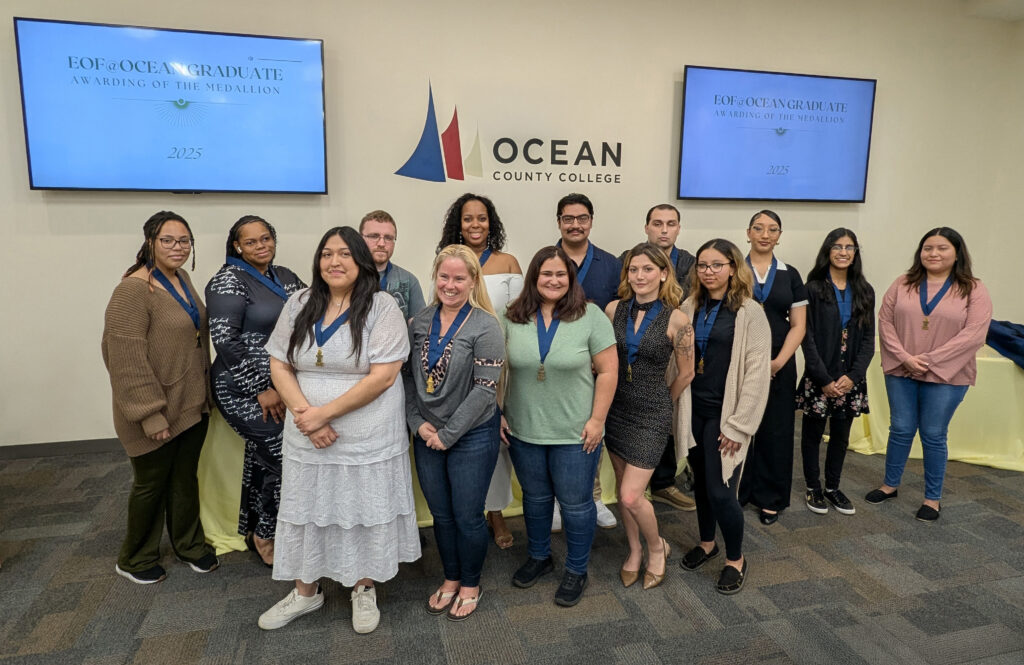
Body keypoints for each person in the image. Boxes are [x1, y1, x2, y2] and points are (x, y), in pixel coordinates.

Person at [258, 227, 419, 633]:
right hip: (306, 434)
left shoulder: (382, 307)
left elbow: (384, 376)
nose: (334, 261)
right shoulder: (298, 302)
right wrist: (305, 414)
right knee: (308, 510)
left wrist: (323, 414)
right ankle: (305, 592)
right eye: (327, 253)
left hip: (367, 439)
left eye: (345, 253)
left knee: (362, 510)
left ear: (361, 260)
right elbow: (280, 362)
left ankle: (363, 588)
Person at [101, 211, 219, 584]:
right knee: (151, 484)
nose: (177, 247)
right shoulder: (132, 290)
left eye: (184, 240)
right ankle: (135, 558)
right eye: (167, 240)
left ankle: (188, 545)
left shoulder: (180, 278)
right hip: (151, 411)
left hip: (189, 404)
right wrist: (150, 415)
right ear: (149, 242)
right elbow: (125, 360)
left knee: (184, 479)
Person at [501, 246, 617, 607]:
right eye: (546, 274)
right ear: (534, 278)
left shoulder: (590, 316)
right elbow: (494, 369)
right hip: (524, 430)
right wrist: (497, 412)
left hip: (575, 432)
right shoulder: (511, 317)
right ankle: (539, 557)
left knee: (576, 505)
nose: (553, 280)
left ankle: (576, 569)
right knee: (535, 501)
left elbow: (609, 371)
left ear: (571, 279)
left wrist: (597, 420)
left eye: (561, 274)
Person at [405, 245, 505, 621]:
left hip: (472, 435)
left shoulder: (485, 325)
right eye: (444, 277)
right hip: (427, 433)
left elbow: (484, 391)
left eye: (459, 278)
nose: (450, 284)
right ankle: (450, 578)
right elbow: (408, 380)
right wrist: (419, 425)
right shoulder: (419, 321)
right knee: (441, 516)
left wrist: (447, 435)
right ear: (435, 277)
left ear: (473, 281)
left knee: (467, 516)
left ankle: (470, 583)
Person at [866, 228, 992, 522]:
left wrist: (930, 360)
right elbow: (884, 322)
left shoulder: (973, 288)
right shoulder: (903, 283)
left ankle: (932, 499)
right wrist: (906, 358)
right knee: (900, 429)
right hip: (901, 369)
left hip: (948, 374)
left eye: (942, 248)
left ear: (957, 253)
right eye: (927, 248)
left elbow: (975, 334)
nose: (933, 253)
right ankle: (890, 485)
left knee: (934, 434)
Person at [206, 215, 306, 567]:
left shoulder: (286, 277)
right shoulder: (227, 282)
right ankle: (267, 533)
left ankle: (255, 529)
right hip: (241, 388)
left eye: (266, 239)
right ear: (237, 246)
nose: (261, 246)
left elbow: (313, 309)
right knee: (283, 457)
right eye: (251, 242)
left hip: (281, 386)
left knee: (263, 458)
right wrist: (262, 387)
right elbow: (226, 341)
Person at [677, 239, 770, 595]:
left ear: (733, 267)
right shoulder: (689, 305)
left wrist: (740, 425)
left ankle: (735, 559)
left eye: (717, 264)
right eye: (702, 265)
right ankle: (706, 543)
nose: (709, 271)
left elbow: (757, 374)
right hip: (694, 409)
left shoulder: (750, 312)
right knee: (701, 483)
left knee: (720, 491)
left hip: (725, 415)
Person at [604, 243, 694, 589]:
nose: (639, 276)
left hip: (651, 415)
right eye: (633, 270)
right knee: (624, 484)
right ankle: (634, 551)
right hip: (616, 410)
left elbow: (686, 374)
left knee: (630, 495)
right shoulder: (614, 309)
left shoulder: (677, 319)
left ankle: (657, 547)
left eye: (647, 269)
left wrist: (662, 402)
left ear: (663, 273)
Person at [437, 193, 522, 548]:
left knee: (498, 440)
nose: (476, 225)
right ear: (458, 224)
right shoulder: (449, 262)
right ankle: (472, 512)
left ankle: (497, 512)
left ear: (492, 223)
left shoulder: (508, 261)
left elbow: (522, 314)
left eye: (482, 218)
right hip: (461, 365)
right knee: (472, 437)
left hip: (502, 363)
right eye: (468, 219)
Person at [619, 203, 698, 513]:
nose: (664, 229)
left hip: (668, 356)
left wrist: (666, 397)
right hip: (629, 369)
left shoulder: (691, 264)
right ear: (646, 227)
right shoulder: (629, 260)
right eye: (657, 223)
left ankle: (664, 484)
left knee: (664, 423)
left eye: (671, 223)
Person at [796, 229, 875, 516]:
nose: (843, 252)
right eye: (837, 246)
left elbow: (868, 340)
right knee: (812, 434)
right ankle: (813, 487)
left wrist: (853, 376)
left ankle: (832, 487)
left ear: (856, 252)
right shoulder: (813, 288)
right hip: (821, 376)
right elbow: (807, 336)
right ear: (828, 251)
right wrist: (824, 379)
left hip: (851, 378)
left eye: (849, 247)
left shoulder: (865, 290)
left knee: (841, 436)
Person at [555, 192, 621, 529]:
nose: (575, 224)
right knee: (554, 431)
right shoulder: (547, 263)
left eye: (582, 218)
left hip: (596, 369)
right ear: (559, 223)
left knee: (592, 431)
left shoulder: (611, 265)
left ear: (591, 221)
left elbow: (619, 315)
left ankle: (593, 497)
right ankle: (556, 501)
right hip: (554, 368)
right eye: (568, 219)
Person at [738, 210, 807, 525]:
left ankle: (770, 498)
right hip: (738, 361)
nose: (765, 234)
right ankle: (738, 491)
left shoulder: (790, 274)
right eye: (759, 228)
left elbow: (798, 326)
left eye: (772, 229)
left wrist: (779, 361)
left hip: (780, 362)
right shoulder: (734, 269)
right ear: (748, 233)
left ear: (779, 236)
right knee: (737, 427)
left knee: (776, 430)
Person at [361, 210, 426, 320]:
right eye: (374, 236)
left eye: (388, 238)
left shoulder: (409, 280)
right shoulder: (348, 278)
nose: (381, 243)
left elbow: (419, 328)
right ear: (360, 239)